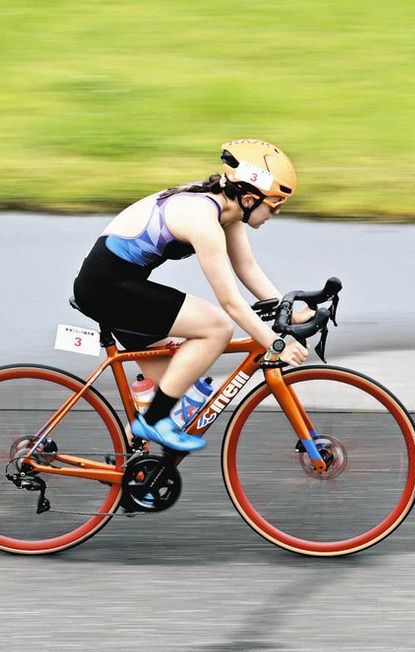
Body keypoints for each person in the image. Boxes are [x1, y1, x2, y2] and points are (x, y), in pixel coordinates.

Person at [72, 139, 314, 452]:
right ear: (251, 198)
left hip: (119, 284)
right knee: (216, 327)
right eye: (275, 205)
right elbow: (230, 304)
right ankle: (153, 420)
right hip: (106, 288)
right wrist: (275, 344)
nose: (276, 213)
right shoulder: (203, 220)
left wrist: (289, 309)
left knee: (184, 392)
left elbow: (247, 267)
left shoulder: (226, 206)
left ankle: (134, 467)